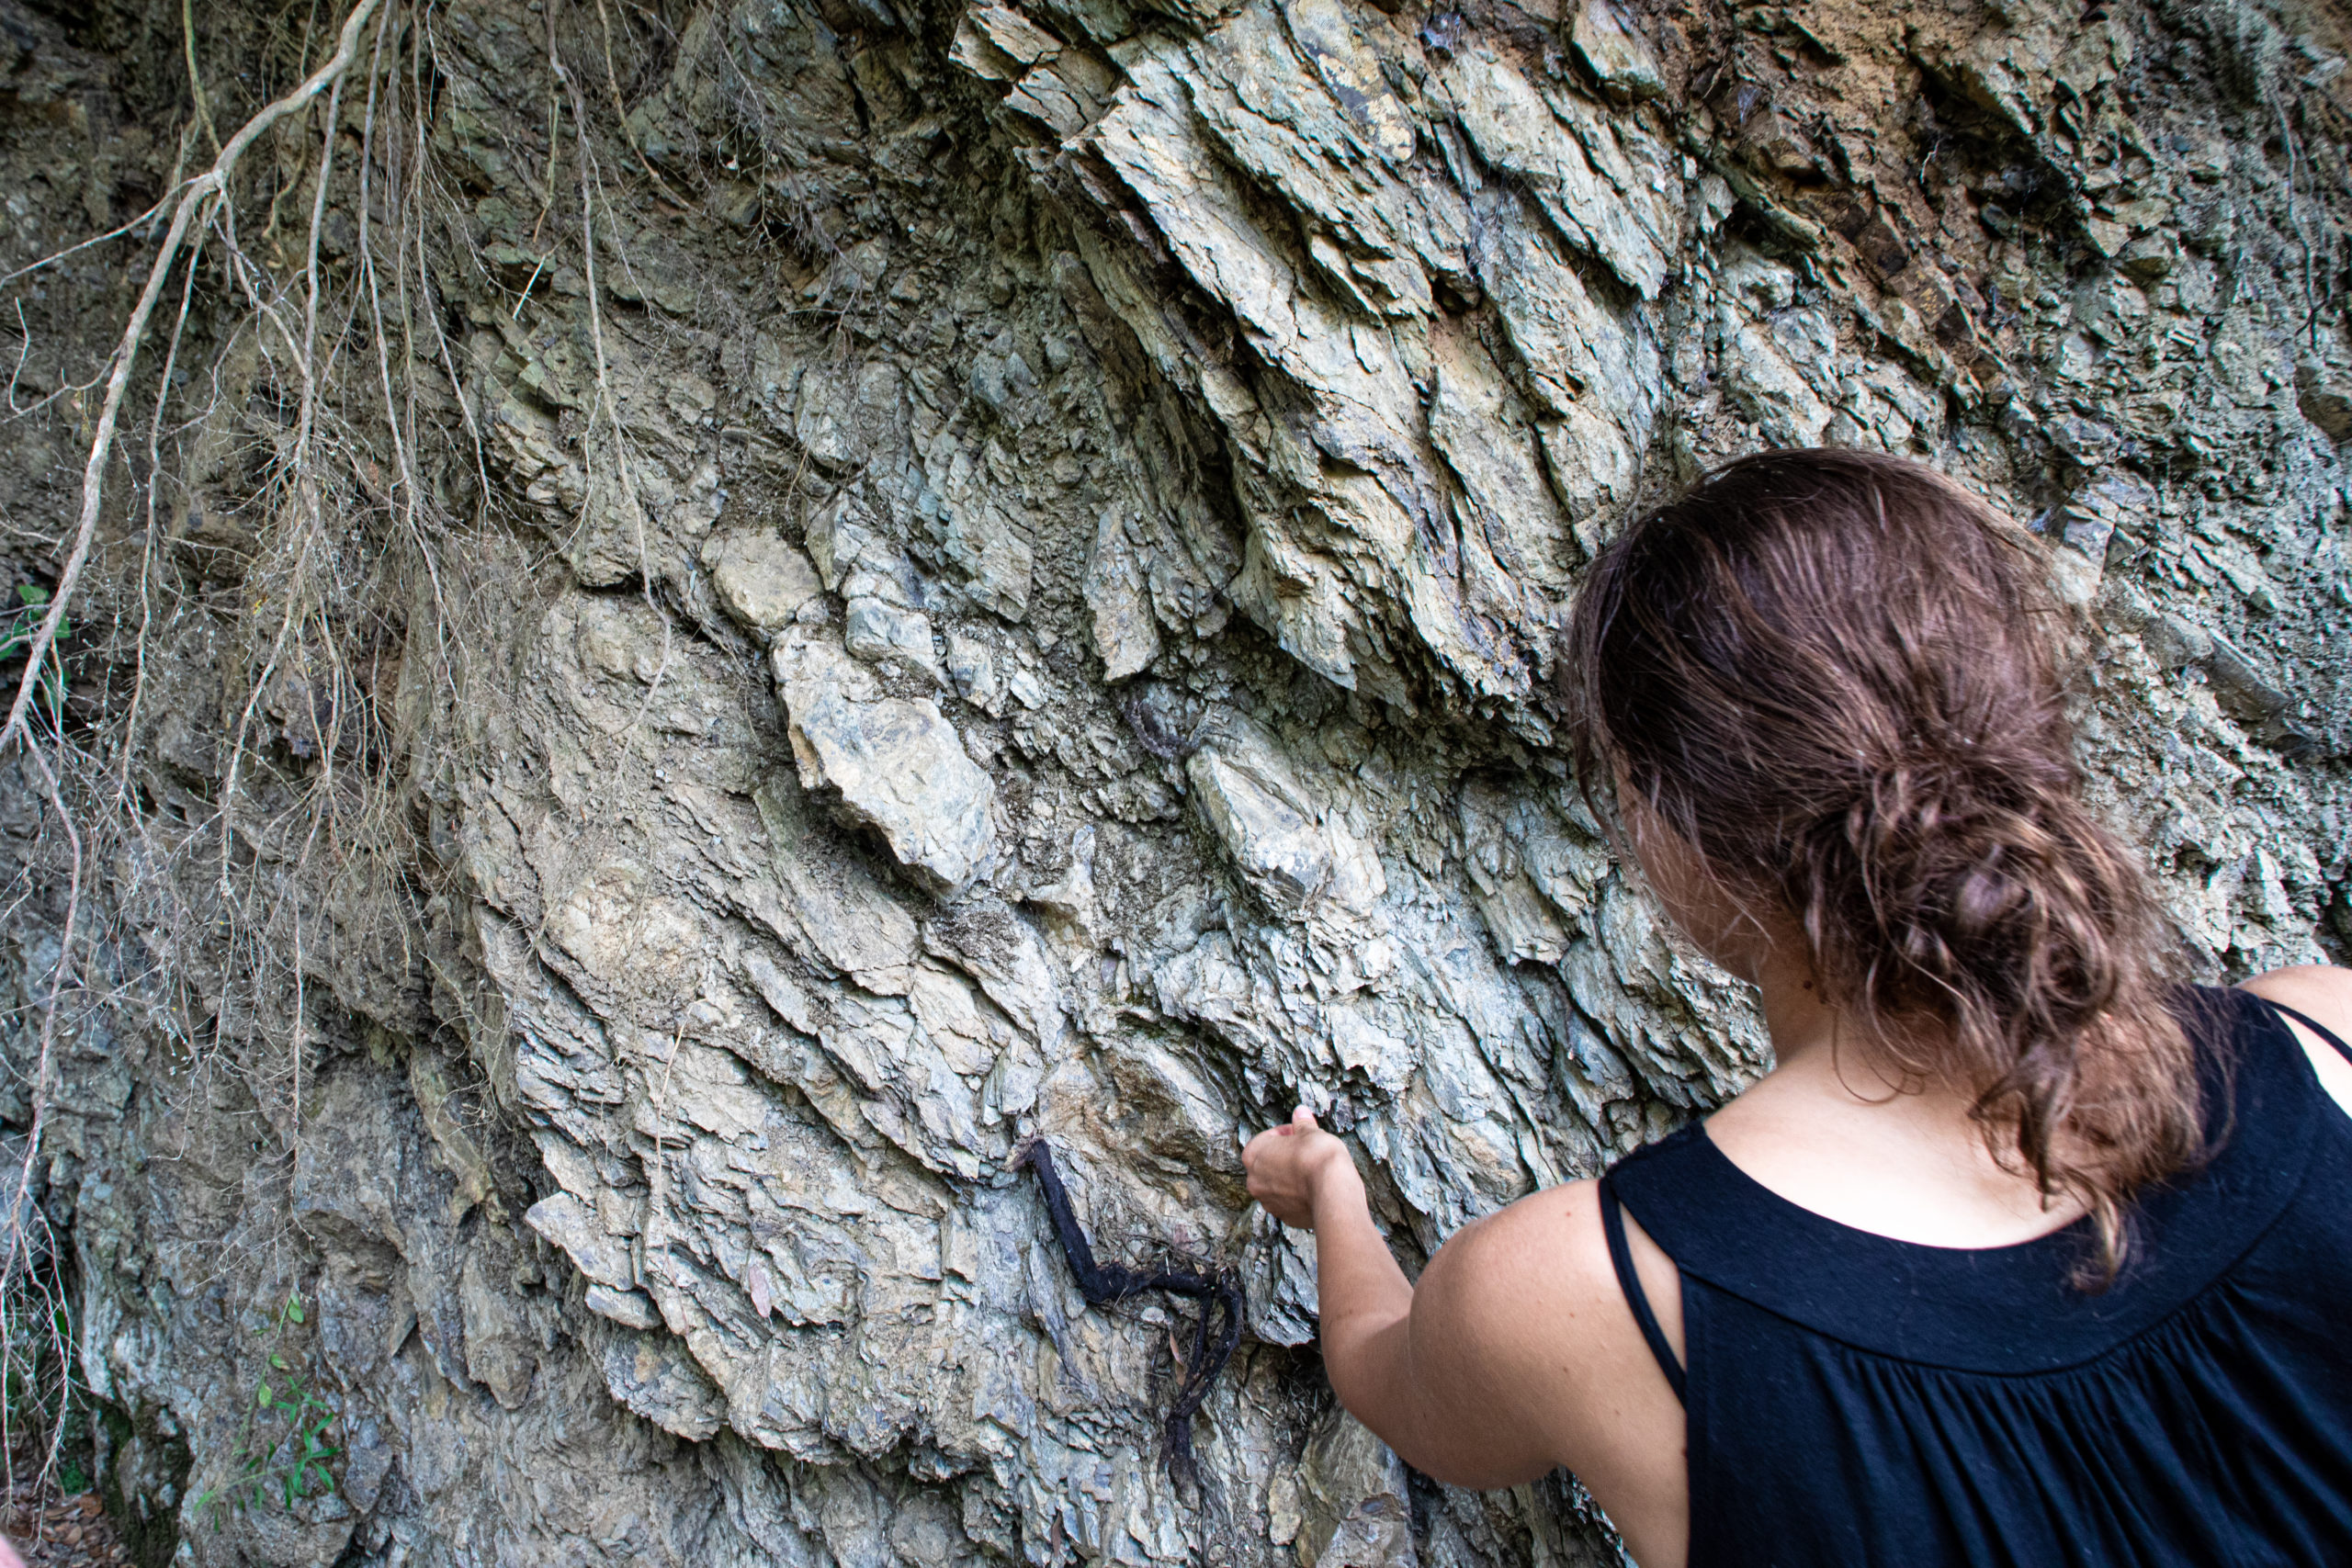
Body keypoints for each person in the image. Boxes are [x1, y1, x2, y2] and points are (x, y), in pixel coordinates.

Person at [1242, 449, 2352, 1566]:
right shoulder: (2327, 1039)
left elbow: (1388, 1370)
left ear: (1666, 820)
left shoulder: (1588, 1291)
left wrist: (1330, 1188)